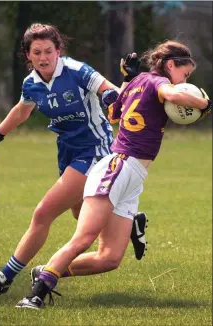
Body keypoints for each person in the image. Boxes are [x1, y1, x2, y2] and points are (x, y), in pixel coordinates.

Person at [14, 39, 212, 309]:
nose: (183, 80)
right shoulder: (157, 82)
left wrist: (130, 83)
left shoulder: (137, 80)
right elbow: (174, 95)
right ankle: (35, 294)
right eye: (184, 74)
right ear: (170, 65)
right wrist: (205, 103)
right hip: (118, 167)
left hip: (132, 177)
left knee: (109, 258)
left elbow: (113, 113)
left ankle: (47, 271)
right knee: (83, 238)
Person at [0, 23, 148, 295]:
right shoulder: (32, 83)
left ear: (58, 50)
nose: (43, 57)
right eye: (36, 52)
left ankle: (5, 276)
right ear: (28, 55)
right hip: (67, 152)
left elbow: (107, 90)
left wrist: (114, 92)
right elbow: (21, 111)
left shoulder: (76, 70)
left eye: (48, 51)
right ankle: (126, 221)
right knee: (79, 214)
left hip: (95, 151)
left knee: (43, 213)